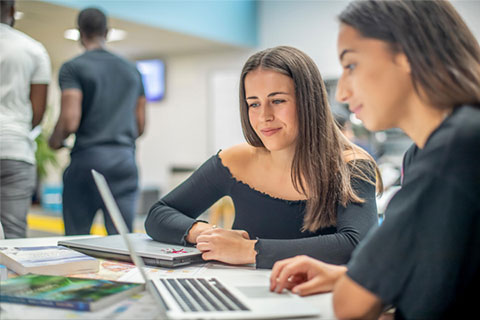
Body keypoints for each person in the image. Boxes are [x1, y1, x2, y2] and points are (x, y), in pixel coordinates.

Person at [270, 1, 480, 319]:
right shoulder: (423, 152)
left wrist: (357, 284)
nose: (341, 93)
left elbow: (352, 306)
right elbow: (442, 274)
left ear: (408, 53)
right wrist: (343, 276)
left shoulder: (454, 149)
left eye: (351, 66)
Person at [145, 46, 382, 269]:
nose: (263, 116)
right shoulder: (235, 160)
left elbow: (355, 244)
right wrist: (203, 233)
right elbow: (159, 214)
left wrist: (251, 251)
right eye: (253, 104)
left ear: (309, 102)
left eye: (277, 101)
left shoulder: (352, 166)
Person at [48, 7, 146, 235]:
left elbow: (70, 121)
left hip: (87, 162)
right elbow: (140, 125)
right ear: (108, 32)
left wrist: (54, 141)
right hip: (124, 163)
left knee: (78, 242)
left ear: (79, 32)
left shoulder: (73, 68)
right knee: (123, 243)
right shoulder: (133, 71)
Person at [0, 0, 51, 238]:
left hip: (15, 145)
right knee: (13, 234)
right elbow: (38, 111)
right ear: (11, 11)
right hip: (16, 149)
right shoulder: (33, 49)